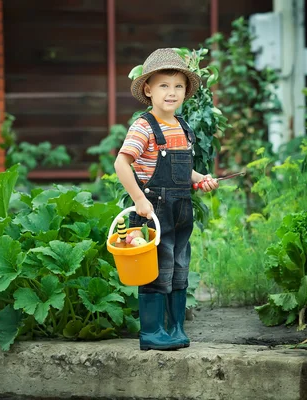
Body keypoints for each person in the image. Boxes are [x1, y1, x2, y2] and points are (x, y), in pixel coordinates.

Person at [114, 48, 219, 350]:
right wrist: (139, 200)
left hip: (181, 211)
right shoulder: (143, 126)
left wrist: (200, 179)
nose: (171, 93)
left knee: (179, 269)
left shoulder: (182, 127)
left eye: (178, 86)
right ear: (148, 89)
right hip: (153, 212)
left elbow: (183, 169)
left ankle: (175, 329)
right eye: (163, 85)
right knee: (156, 271)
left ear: (186, 91)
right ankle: (151, 332)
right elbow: (122, 163)